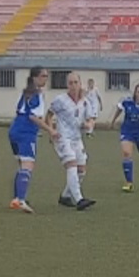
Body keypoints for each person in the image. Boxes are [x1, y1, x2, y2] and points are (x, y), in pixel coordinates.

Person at [8, 67, 58, 214]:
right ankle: (21, 200)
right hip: (26, 132)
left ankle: (17, 198)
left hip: (14, 130)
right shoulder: (37, 94)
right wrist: (51, 130)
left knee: (22, 164)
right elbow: (33, 117)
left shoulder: (26, 93)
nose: (45, 79)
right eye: (43, 76)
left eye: (47, 76)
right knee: (28, 165)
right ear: (35, 78)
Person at [47, 72, 97, 211]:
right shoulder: (60, 100)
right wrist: (51, 130)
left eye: (76, 82)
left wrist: (89, 125)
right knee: (72, 165)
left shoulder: (85, 101)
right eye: (70, 83)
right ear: (67, 85)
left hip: (76, 138)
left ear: (80, 84)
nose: (73, 86)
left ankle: (65, 196)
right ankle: (79, 199)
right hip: (63, 138)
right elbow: (49, 115)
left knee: (81, 170)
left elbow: (91, 118)